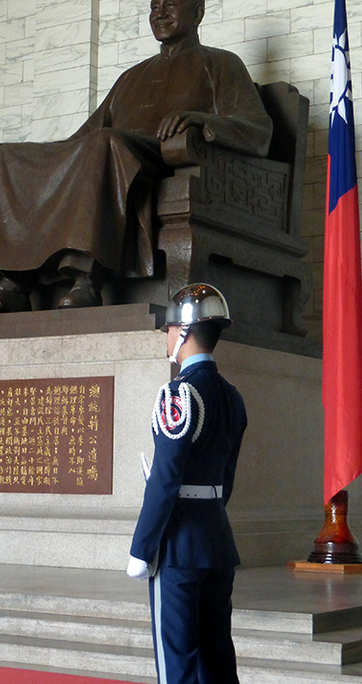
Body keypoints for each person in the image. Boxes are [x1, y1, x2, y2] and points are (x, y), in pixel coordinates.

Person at [0, 0, 272, 314]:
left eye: (169, 5)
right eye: (153, 7)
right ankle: (11, 285)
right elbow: (79, 140)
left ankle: (88, 281)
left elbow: (258, 130)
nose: (159, 14)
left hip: (160, 156)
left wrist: (200, 120)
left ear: (197, 13)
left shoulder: (220, 64)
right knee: (7, 158)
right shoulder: (131, 77)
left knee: (104, 143)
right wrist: (12, 151)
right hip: (109, 153)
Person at [127, 283, 246, 684]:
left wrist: (142, 547)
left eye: (168, 329)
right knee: (217, 660)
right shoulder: (232, 396)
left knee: (176, 662)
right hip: (216, 540)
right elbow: (226, 477)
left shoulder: (179, 393)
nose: (165, 337)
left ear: (183, 333)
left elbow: (165, 478)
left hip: (177, 548)